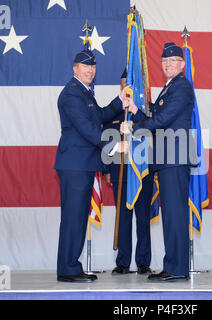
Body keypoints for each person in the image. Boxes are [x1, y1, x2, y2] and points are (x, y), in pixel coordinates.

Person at [121, 42, 195, 281]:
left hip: (175, 157)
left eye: (173, 61)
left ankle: (176, 268)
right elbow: (156, 117)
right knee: (171, 215)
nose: (168, 65)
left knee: (175, 215)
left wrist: (134, 128)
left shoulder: (182, 86)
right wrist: (134, 110)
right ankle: (174, 266)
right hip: (167, 158)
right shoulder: (170, 87)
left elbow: (162, 119)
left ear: (182, 64)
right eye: (164, 61)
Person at [54, 49, 127, 283]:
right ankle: (68, 269)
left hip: (81, 165)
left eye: (93, 67)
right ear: (75, 69)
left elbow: (99, 117)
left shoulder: (84, 93)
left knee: (77, 217)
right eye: (86, 67)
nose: (90, 70)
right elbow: (88, 129)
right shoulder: (72, 94)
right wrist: (115, 147)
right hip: (75, 165)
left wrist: (119, 101)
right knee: (73, 218)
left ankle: (71, 266)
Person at [104, 69, 153, 275]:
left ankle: (143, 262)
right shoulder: (113, 111)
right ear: (121, 87)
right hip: (120, 171)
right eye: (125, 85)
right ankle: (122, 262)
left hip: (143, 172)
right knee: (123, 217)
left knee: (143, 218)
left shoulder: (146, 111)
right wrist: (107, 168)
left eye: (132, 85)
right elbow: (106, 139)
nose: (128, 89)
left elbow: (154, 136)